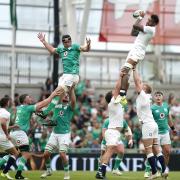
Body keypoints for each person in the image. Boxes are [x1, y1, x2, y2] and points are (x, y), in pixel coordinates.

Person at [1, 88, 61, 179]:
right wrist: (52, 95)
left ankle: (5, 171)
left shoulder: (17, 108)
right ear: (25, 100)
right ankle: (18, 175)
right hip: (20, 133)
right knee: (26, 154)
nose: (31, 98)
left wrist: (42, 115)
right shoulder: (27, 108)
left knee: (13, 153)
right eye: (29, 97)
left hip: (13, 133)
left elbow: (41, 113)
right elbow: (43, 103)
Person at [37, 33, 91, 118]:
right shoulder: (61, 49)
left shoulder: (75, 47)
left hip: (72, 75)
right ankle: (54, 119)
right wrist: (44, 41)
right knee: (59, 97)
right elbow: (52, 50)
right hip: (64, 76)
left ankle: (45, 111)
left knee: (54, 94)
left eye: (69, 40)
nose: (67, 42)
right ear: (62, 42)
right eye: (65, 41)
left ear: (71, 41)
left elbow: (85, 49)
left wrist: (88, 45)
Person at [132, 68, 167, 179]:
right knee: (157, 149)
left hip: (148, 125)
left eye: (143, 86)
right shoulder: (145, 97)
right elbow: (139, 82)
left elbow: (137, 81)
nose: (141, 85)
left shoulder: (143, 95)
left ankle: (154, 172)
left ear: (145, 89)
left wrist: (134, 69)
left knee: (148, 149)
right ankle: (164, 170)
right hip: (153, 125)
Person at [95, 72, 127, 179]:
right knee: (109, 151)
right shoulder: (113, 102)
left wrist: (126, 79)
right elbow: (118, 87)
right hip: (112, 131)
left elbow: (123, 90)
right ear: (112, 97)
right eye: (114, 93)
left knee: (117, 151)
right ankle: (101, 172)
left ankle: (101, 171)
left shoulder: (117, 103)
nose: (116, 93)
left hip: (115, 132)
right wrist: (120, 76)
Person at [120, 12, 159, 96]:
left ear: (154, 23)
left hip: (138, 52)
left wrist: (140, 18)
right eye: (148, 20)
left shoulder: (151, 29)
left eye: (150, 21)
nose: (147, 21)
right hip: (134, 51)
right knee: (125, 72)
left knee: (125, 70)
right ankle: (123, 94)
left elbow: (135, 26)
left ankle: (122, 94)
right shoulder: (146, 29)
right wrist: (138, 20)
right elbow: (133, 33)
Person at [40, 87, 76, 180]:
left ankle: (67, 174)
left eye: (67, 96)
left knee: (62, 154)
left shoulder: (69, 107)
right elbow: (58, 96)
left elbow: (73, 101)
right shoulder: (56, 105)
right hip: (54, 133)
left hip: (64, 134)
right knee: (46, 154)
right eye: (65, 95)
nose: (66, 96)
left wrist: (71, 90)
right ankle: (48, 170)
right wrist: (63, 87)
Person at [144, 91, 177, 178]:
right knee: (155, 153)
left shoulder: (166, 106)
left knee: (167, 152)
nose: (158, 97)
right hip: (156, 133)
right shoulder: (152, 108)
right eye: (156, 95)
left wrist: (173, 128)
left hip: (165, 132)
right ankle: (148, 169)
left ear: (162, 97)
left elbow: (168, 118)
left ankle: (164, 170)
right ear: (154, 98)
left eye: (160, 95)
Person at [0, 97, 20, 180]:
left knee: (11, 153)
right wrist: (7, 134)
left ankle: (5, 171)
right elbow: (3, 123)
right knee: (15, 153)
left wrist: (13, 126)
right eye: (10, 102)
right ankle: (5, 171)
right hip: (2, 137)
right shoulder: (6, 113)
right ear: (7, 103)